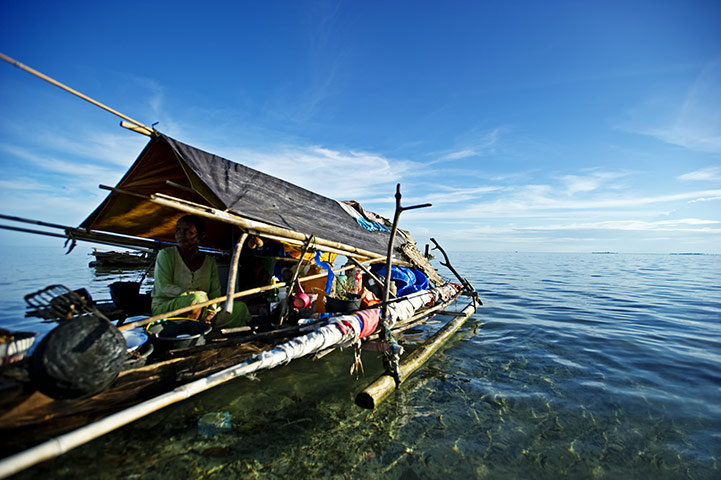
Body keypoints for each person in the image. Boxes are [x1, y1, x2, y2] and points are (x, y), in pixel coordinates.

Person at [151, 215, 250, 329]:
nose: (180, 235)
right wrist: (195, 295)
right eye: (178, 230)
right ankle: (191, 330)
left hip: (202, 309)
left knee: (239, 308)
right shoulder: (166, 255)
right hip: (166, 307)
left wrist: (212, 310)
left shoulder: (210, 262)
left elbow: (215, 293)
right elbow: (163, 287)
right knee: (196, 299)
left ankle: (204, 325)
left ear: (200, 236)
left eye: (188, 232)